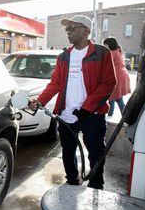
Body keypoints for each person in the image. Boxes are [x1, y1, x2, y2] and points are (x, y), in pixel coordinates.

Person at [29, 15, 116, 190]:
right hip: (66, 114)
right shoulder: (64, 56)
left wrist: (87, 108)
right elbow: (55, 83)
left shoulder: (101, 53)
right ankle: (72, 181)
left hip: (93, 115)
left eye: (73, 28)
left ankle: (96, 184)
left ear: (86, 30)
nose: (68, 32)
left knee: (96, 151)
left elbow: (108, 83)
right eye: (67, 29)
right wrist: (40, 101)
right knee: (68, 151)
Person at [103, 37, 131, 116]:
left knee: (112, 97)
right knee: (118, 98)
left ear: (109, 44)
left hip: (117, 75)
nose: (104, 46)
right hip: (123, 75)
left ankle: (111, 115)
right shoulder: (119, 51)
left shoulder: (111, 53)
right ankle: (125, 116)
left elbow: (105, 65)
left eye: (105, 44)